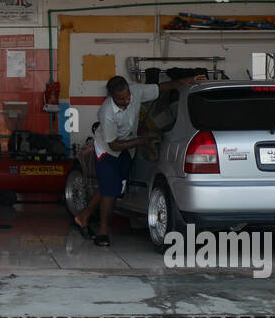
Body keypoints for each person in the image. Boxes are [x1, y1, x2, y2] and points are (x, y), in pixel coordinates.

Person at [70, 72, 203, 246]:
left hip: (127, 146)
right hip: (107, 150)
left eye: (128, 96)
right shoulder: (106, 112)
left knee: (112, 186)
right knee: (110, 190)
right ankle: (103, 231)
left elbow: (161, 88)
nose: (127, 101)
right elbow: (114, 145)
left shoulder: (135, 92)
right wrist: (141, 140)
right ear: (112, 96)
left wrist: (188, 80)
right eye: (121, 99)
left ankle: (83, 217)